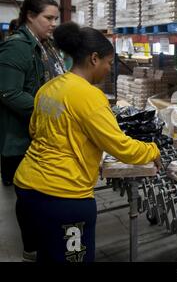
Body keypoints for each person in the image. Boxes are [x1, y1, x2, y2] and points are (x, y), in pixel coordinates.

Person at [13, 21, 162, 262]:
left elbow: (36, 131)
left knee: (48, 255)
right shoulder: (90, 95)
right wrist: (152, 149)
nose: (109, 69)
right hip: (63, 198)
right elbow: (121, 147)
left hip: (27, 189)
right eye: (108, 63)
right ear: (94, 58)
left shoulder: (49, 88)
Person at [0, 0, 65, 188]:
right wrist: (54, 110)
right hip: (21, 141)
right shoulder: (17, 47)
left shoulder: (45, 45)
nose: (53, 23)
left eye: (56, 19)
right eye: (48, 18)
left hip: (40, 134)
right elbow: (9, 92)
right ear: (30, 15)